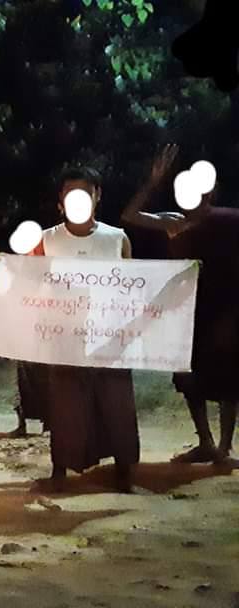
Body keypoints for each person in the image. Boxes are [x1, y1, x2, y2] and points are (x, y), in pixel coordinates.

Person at [122, 144, 237, 464]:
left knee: (229, 377)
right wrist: (153, 181)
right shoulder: (173, 222)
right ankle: (206, 442)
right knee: (188, 377)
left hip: (224, 308)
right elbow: (129, 216)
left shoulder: (228, 220)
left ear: (209, 192)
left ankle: (225, 449)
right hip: (186, 309)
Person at [31, 166, 140, 493]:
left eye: (84, 192)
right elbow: (32, 286)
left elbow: (133, 287)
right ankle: (60, 470)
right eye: (69, 193)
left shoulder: (116, 238)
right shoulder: (46, 240)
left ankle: (124, 472)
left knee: (117, 403)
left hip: (110, 337)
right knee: (65, 404)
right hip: (65, 339)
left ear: (97, 196)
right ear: (61, 200)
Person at [0, 242, 50, 437]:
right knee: (23, 379)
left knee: (45, 379)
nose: (33, 252)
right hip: (23, 332)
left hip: (46, 332)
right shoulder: (17, 269)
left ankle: (49, 423)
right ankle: (22, 422)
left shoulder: (50, 270)